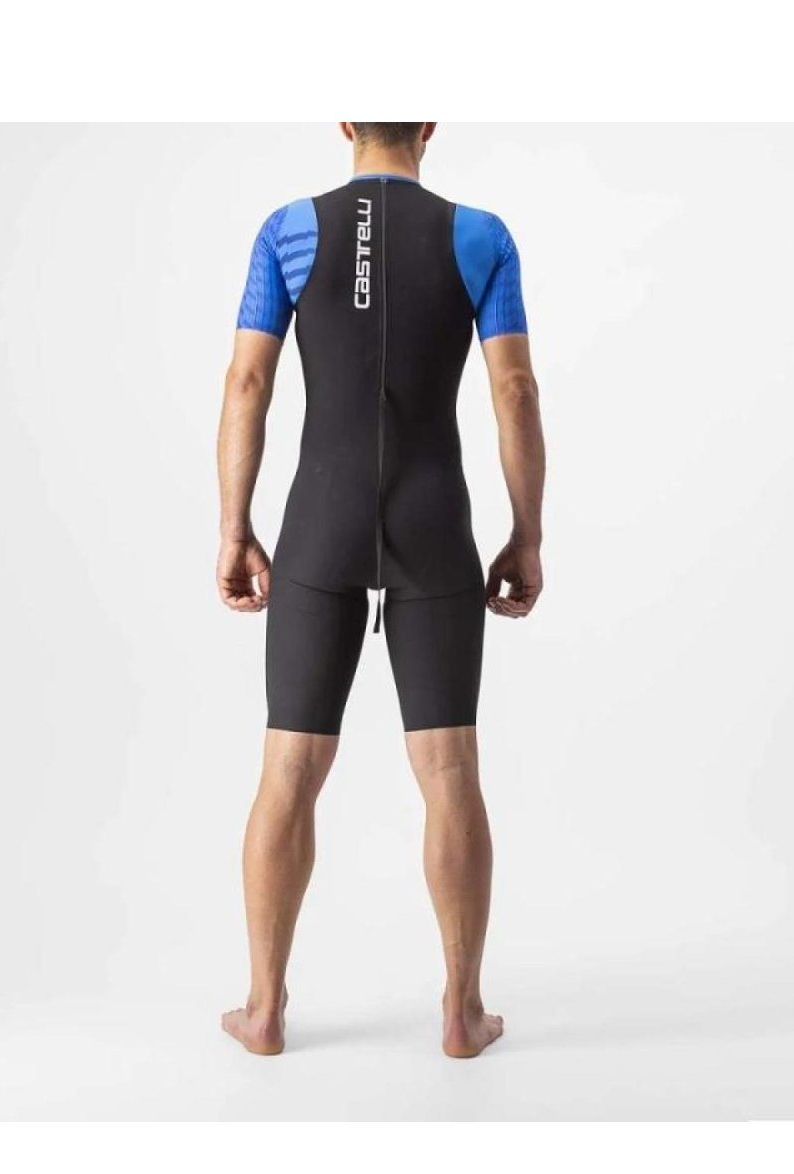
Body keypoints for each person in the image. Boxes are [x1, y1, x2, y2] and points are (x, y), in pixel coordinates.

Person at [216, 123, 545, 1057]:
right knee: (450, 772)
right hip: (435, 519)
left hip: (318, 521)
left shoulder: (289, 229)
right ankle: (462, 1013)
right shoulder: (480, 235)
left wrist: (235, 526)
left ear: (345, 123)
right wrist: (526, 532)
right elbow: (515, 391)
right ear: (429, 124)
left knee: (288, 770)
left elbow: (248, 382)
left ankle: (264, 1010)